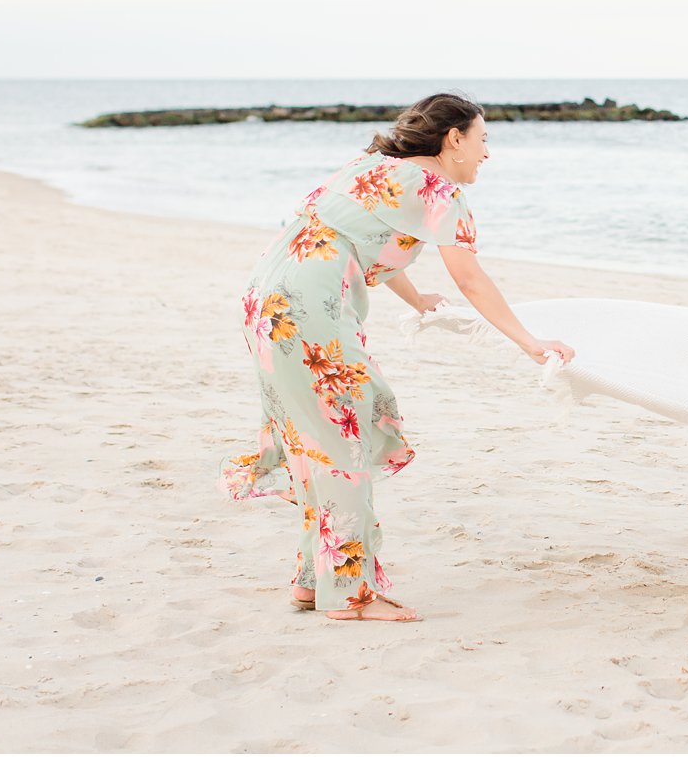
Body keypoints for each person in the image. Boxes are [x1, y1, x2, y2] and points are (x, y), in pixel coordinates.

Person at [219, 93, 574, 623]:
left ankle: (313, 582)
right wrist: (529, 341)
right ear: (454, 138)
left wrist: (417, 300)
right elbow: (469, 277)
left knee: (315, 442)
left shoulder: (370, 168)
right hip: (309, 311)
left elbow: (355, 242)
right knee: (345, 441)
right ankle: (350, 597)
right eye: (483, 140)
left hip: (266, 301)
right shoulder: (438, 190)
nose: (486, 154)